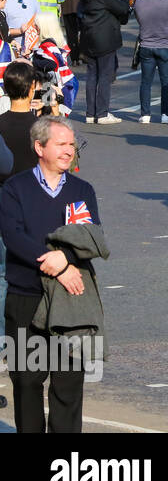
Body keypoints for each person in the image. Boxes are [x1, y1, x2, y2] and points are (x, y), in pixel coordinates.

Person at [1, 116, 100, 432]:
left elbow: (90, 237)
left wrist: (67, 258)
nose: (69, 150)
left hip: (71, 302)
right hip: (25, 300)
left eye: (71, 144)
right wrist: (56, 264)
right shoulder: (15, 188)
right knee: (26, 383)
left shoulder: (83, 189)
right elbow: (13, 236)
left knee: (68, 388)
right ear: (39, 147)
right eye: (61, 144)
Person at [78, 0, 130, 125]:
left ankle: (90, 112)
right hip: (104, 35)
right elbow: (120, 8)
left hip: (89, 34)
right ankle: (101, 113)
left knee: (92, 74)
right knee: (105, 75)